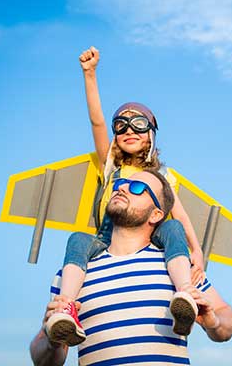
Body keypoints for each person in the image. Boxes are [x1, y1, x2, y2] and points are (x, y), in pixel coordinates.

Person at [45, 47, 205, 346]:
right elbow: (96, 123)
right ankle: (66, 307)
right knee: (78, 240)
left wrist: (197, 252)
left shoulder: (163, 177)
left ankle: (185, 296)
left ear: (151, 135)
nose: (128, 130)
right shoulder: (110, 165)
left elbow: (180, 216)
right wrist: (89, 75)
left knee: (171, 228)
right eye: (121, 126)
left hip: (147, 237)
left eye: (139, 125)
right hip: (108, 239)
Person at [30, 170, 232, 365]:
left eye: (137, 187)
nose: (122, 188)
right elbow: (43, 360)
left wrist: (214, 323)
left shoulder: (179, 266)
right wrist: (51, 341)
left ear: (156, 215)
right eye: (121, 184)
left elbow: (226, 318)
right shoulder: (69, 276)